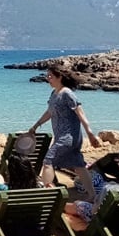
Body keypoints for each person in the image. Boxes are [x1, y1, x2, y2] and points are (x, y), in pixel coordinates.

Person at [27, 64, 100, 200]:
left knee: (48, 161)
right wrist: (35, 126)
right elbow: (49, 112)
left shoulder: (67, 93)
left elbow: (81, 114)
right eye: (47, 76)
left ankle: (46, 194)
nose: (48, 79)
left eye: (50, 76)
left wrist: (90, 133)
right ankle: (92, 195)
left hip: (69, 137)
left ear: (59, 77)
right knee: (79, 165)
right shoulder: (54, 94)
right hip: (62, 136)